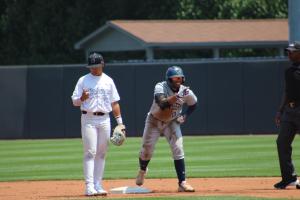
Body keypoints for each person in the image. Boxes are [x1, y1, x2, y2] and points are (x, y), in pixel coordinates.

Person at [135, 66, 198, 192]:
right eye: (175, 78)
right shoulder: (160, 86)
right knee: (147, 149)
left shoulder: (186, 92)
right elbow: (162, 104)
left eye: (180, 77)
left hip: (171, 122)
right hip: (154, 120)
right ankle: (142, 170)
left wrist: (185, 116)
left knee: (178, 147)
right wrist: (177, 96)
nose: (178, 80)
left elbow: (194, 104)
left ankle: (182, 183)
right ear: (169, 79)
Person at [71, 52, 125, 196]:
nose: (93, 69)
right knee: (90, 152)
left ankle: (98, 184)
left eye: (96, 66)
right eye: (91, 66)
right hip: (88, 118)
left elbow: (114, 103)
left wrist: (120, 123)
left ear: (102, 65)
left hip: (105, 119)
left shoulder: (108, 80)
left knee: (101, 153)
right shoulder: (83, 80)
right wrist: (82, 98)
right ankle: (89, 187)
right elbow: (74, 101)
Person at [274, 41, 300, 189]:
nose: (289, 53)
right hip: (289, 112)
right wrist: (280, 110)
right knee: (282, 142)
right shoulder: (289, 71)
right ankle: (289, 178)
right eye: (288, 51)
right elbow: (287, 92)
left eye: (292, 51)